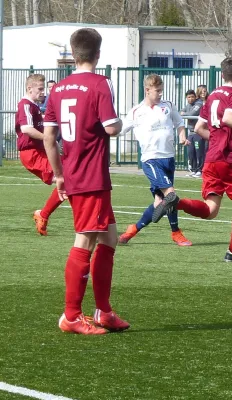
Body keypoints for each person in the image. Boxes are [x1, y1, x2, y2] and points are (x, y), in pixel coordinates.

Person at [43, 27, 130, 335]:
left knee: (109, 237)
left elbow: (50, 138)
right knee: (86, 239)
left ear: (73, 52)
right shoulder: (100, 84)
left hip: (77, 171)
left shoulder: (57, 88)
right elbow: (111, 129)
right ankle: (70, 316)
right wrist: (123, 120)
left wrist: (59, 175)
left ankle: (104, 312)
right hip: (91, 174)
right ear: (98, 54)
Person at [152, 57, 232, 262]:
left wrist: (217, 139)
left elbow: (199, 129)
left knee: (210, 210)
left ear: (222, 74)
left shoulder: (212, 96)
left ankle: (177, 202)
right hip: (231, 159)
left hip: (212, 159)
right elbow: (228, 118)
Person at [118, 74, 192, 246]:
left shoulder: (168, 106)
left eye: (161, 90)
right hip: (151, 160)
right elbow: (119, 130)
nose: (160, 94)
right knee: (171, 195)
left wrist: (182, 135)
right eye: (157, 91)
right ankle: (176, 232)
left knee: (161, 202)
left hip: (168, 158)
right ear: (147, 90)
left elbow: (179, 122)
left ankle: (132, 231)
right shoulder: (137, 112)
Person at [15, 74, 65, 236]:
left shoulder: (34, 106)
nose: (43, 92)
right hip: (31, 154)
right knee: (67, 180)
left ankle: (43, 215)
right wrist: (47, 138)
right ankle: (43, 214)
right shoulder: (25, 105)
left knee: (70, 177)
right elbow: (26, 129)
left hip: (41, 152)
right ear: (30, 89)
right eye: (40, 89)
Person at [181, 89, 204, 178]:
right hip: (191, 133)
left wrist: (185, 114)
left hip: (198, 132)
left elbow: (191, 114)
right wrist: (184, 113)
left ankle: (200, 170)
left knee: (199, 152)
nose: (190, 99)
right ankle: (193, 170)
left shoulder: (199, 104)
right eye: (188, 97)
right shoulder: (188, 105)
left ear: (195, 97)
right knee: (191, 152)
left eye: (192, 97)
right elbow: (180, 112)